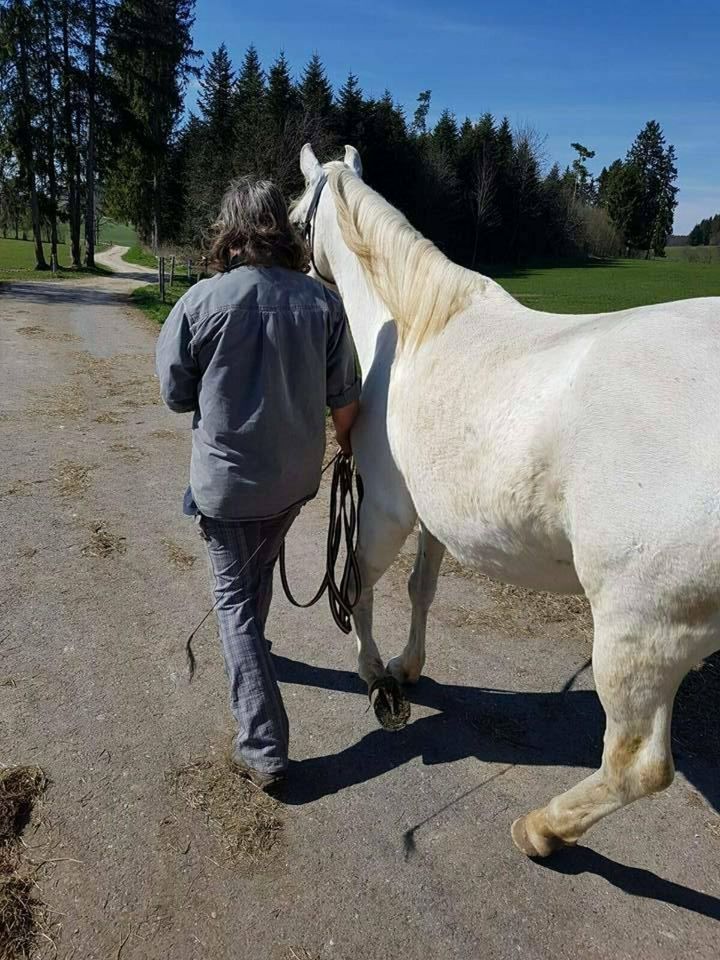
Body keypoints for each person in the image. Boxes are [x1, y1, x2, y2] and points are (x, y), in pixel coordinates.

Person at [156, 177, 360, 793]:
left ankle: (263, 746)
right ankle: (259, 658)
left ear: (231, 229)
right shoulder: (323, 303)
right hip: (294, 484)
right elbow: (344, 398)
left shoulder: (199, 302)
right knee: (256, 574)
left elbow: (174, 393)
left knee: (234, 609)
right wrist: (348, 447)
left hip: (229, 490)